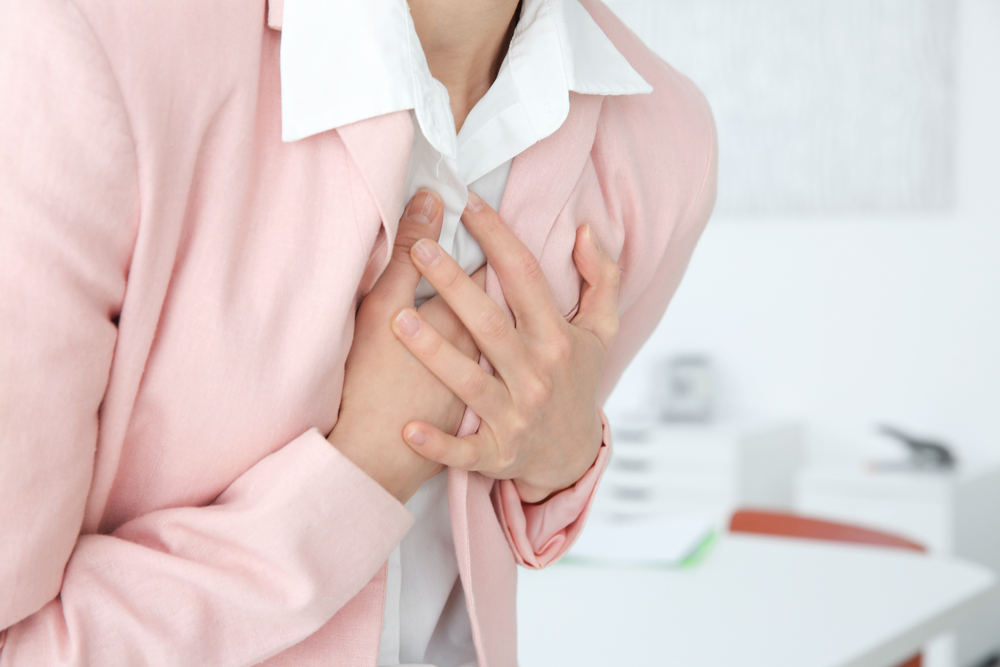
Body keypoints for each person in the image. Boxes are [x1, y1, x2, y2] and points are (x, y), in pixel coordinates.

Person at [0, 0, 717, 664]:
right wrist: (359, 476)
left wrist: (563, 456)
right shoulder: (87, 48)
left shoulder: (664, 142)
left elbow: (506, 503)